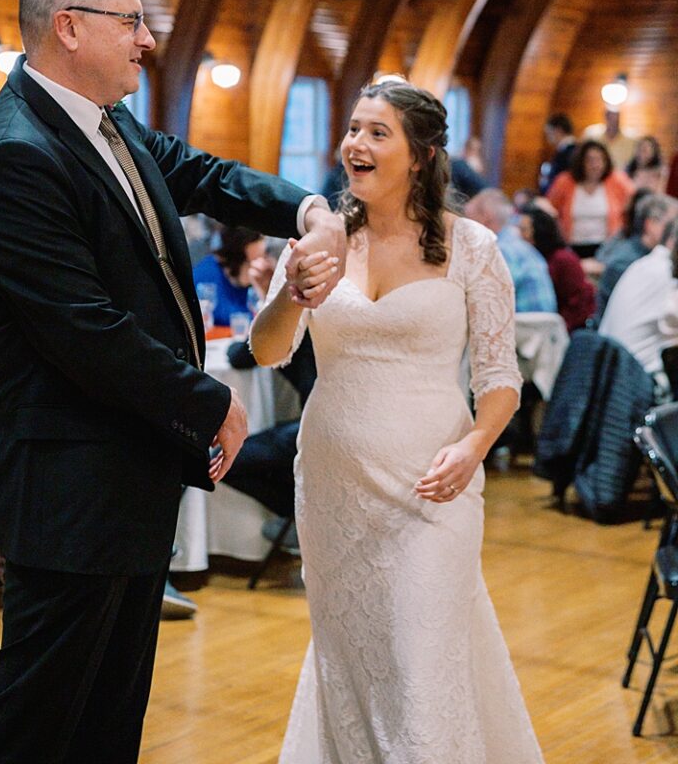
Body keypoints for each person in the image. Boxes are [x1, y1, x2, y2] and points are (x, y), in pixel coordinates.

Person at [0, 0, 345, 764]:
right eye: (129, 21)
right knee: (30, 720)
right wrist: (211, 400)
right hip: (67, 485)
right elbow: (83, 329)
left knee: (108, 712)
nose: (145, 40)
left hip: (123, 470)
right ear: (69, 28)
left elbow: (201, 174)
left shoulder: (103, 121)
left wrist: (306, 205)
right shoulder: (18, 153)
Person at [251, 80, 543, 763]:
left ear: (420, 155)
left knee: (419, 662)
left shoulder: (472, 247)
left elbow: (501, 379)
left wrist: (472, 449)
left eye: (378, 132)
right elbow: (268, 351)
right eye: (353, 129)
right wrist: (293, 292)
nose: (356, 144)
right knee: (353, 655)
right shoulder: (318, 239)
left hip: (431, 486)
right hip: (334, 487)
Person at [599, 219, 678, 385]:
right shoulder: (666, 274)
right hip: (638, 383)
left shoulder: (644, 264)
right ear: (672, 242)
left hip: (611, 375)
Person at [465, 188, 557, 314]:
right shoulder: (522, 246)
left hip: (521, 328)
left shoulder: (499, 251)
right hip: (540, 329)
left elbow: (489, 302)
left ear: (485, 218)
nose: (463, 228)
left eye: (468, 219)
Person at [594, 193, 678, 323]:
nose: (675, 232)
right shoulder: (626, 262)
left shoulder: (649, 255)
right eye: (671, 225)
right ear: (650, 224)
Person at [546, 139, 634, 259]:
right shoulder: (565, 182)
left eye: (599, 159)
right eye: (590, 160)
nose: (595, 165)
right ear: (581, 162)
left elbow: (634, 201)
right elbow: (549, 208)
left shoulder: (617, 181)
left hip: (606, 247)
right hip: (572, 246)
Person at [518, 205, 595, 332]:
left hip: (567, 329)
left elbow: (578, 302)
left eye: (524, 230)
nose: (520, 236)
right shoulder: (529, 258)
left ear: (539, 231)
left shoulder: (563, 259)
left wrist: (559, 330)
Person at [192, 225, 273, 327]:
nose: (262, 265)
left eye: (264, 256)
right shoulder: (204, 275)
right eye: (253, 261)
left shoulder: (265, 278)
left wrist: (265, 292)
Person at [540, 112, 576, 193]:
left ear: (558, 130)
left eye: (549, 133)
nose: (548, 138)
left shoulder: (570, 152)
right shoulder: (562, 150)